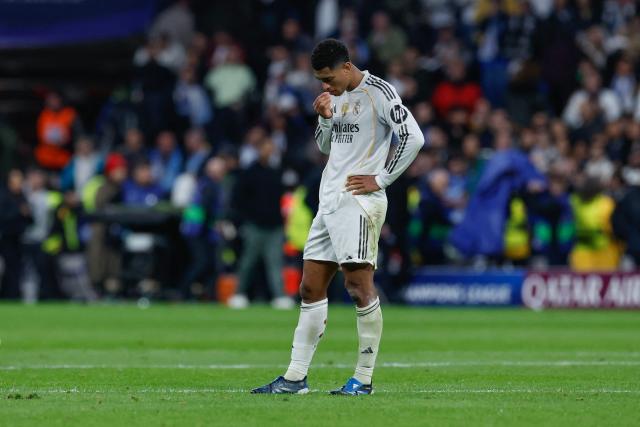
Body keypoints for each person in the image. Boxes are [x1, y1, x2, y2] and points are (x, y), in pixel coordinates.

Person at [253, 39, 424, 395]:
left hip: (358, 203)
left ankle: (363, 379)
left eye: (329, 78)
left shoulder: (379, 92)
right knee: (310, 287)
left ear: (347, 67)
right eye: (320, 80)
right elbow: (325, 146)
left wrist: (382, 177)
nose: (325, 86)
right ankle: (295, 378)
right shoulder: (335, 97)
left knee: (358, 287)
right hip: (329, 201)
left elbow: (413, 136)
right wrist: (325, 119)